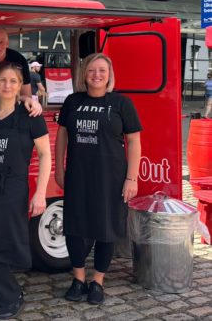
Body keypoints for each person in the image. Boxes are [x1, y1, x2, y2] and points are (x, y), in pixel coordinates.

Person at [54, 53, 142, 305]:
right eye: (91, 70)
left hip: (111, 177)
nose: (96, 75)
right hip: (78, 175)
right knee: (74, 227)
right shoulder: (72, 101)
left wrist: (131, 178)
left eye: (102, 70)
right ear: (84, 74)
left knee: (107, 228)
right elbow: (62, 136)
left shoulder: (121, 103)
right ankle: (78, 278)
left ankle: (98, 282)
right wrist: (59, 169)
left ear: (109, 74)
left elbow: (134, 141)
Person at [0, 62, 51, 319]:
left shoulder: (31, 115)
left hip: (12, 187)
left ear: (21, 86)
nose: (7, 85)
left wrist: (40, 193)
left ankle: (9, 296)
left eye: (14, 81)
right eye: (3, 81)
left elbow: (45, 155)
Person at [0, 28, 42, 115]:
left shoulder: (19, 60)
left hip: (12, 112)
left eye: (1, 42)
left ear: (7, 43)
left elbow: (26, 95)